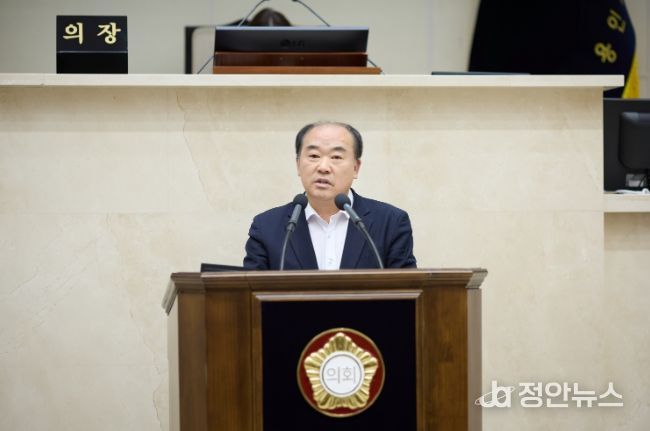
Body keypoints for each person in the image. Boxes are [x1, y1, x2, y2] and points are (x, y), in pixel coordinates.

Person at [243, 121, 417, 270]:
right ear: (298, 165)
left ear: (355, 168)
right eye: (314, 156)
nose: (323, 167)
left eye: (336, 157)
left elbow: (408, 292)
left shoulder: (390, 223)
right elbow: (251, 294)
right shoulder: (266, 227)